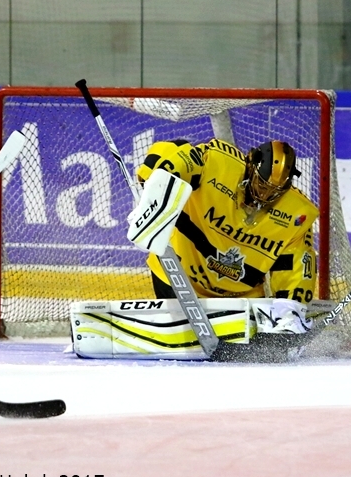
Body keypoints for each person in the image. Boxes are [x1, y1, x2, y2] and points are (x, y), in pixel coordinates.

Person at [128, 137, 319, 338]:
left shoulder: (296, 214)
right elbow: (172, 151)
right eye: (262, 185)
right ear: (251, 165)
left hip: (241, 299)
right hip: (178, 279)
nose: (265, 195)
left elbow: (296, 265)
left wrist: (291, 307)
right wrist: (152, 198)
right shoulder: (217, 163)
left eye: (275, 191)